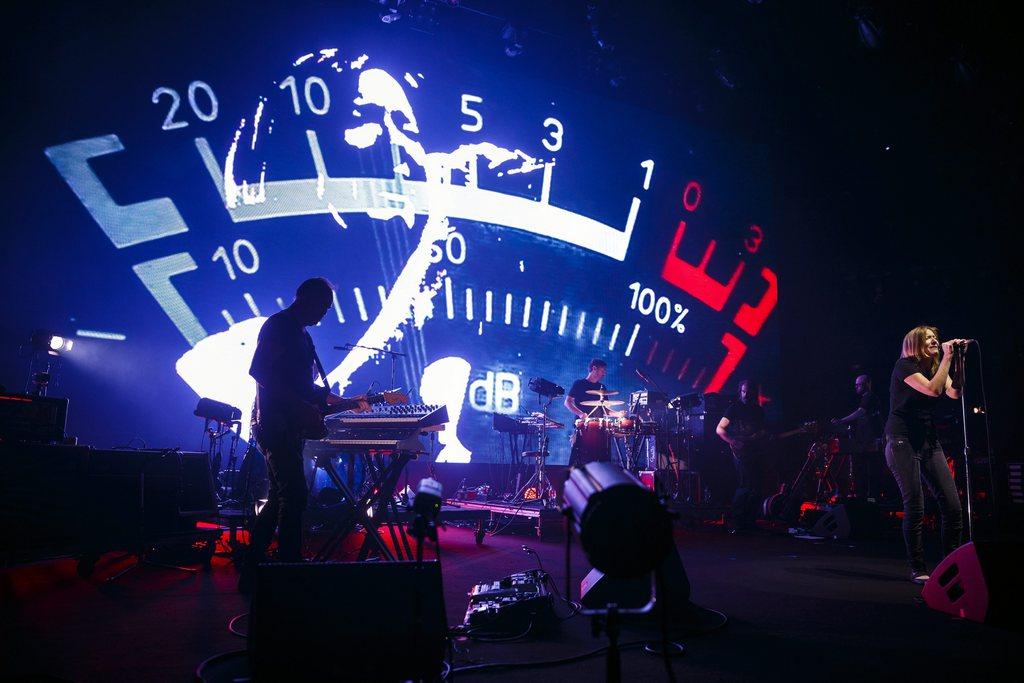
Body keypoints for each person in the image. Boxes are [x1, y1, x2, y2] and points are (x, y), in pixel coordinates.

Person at [238, 277, 369, 593]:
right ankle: (289, 569)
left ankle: (253, 567)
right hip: (274, 423)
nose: (324, 314)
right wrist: (299, 405)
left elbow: (308, 389)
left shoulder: (303, 337)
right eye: (323, 306)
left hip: (287, 425)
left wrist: (346, 403)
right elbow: (258, 370)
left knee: (281, 498)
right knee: (295, 495)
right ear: (307, 298)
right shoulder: (280, 326)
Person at [884, 325, 966, 584]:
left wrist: (958, 360)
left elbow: (955, 393)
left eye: (935, 337)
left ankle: (949, 565)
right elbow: (932, 390)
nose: (935, 340)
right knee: (916, 505)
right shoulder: (904, 366)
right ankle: (917, 567)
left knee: (953, 507)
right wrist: (948, 358)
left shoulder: (935, 366)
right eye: (928, 338)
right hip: (901, 440)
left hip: (928, 441)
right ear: (915, 344)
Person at [716, 379, 767, 532]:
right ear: (740, 392)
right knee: (745, 486)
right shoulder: (733, 409)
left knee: (757, 488)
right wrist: (733, 441)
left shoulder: (758, 411)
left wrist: (763, 436)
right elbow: (719, 429)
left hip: (756, 451)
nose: (746, 395)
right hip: (741, 453)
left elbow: (762, 431)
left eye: (749, 392)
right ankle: (737, 522)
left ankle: (750, 521)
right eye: (744, 391)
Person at [832, 375, 882, 498]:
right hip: (865, 441)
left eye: (859, 384)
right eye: (856, 385)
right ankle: (867, 497)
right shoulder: (866, 398)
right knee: (865, 469)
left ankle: (871, 499)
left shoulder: (869, 397)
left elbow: (860, 412)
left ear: (867, 384)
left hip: (869, 442)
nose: (856, 387)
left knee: (869, 470)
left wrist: (842, 421)